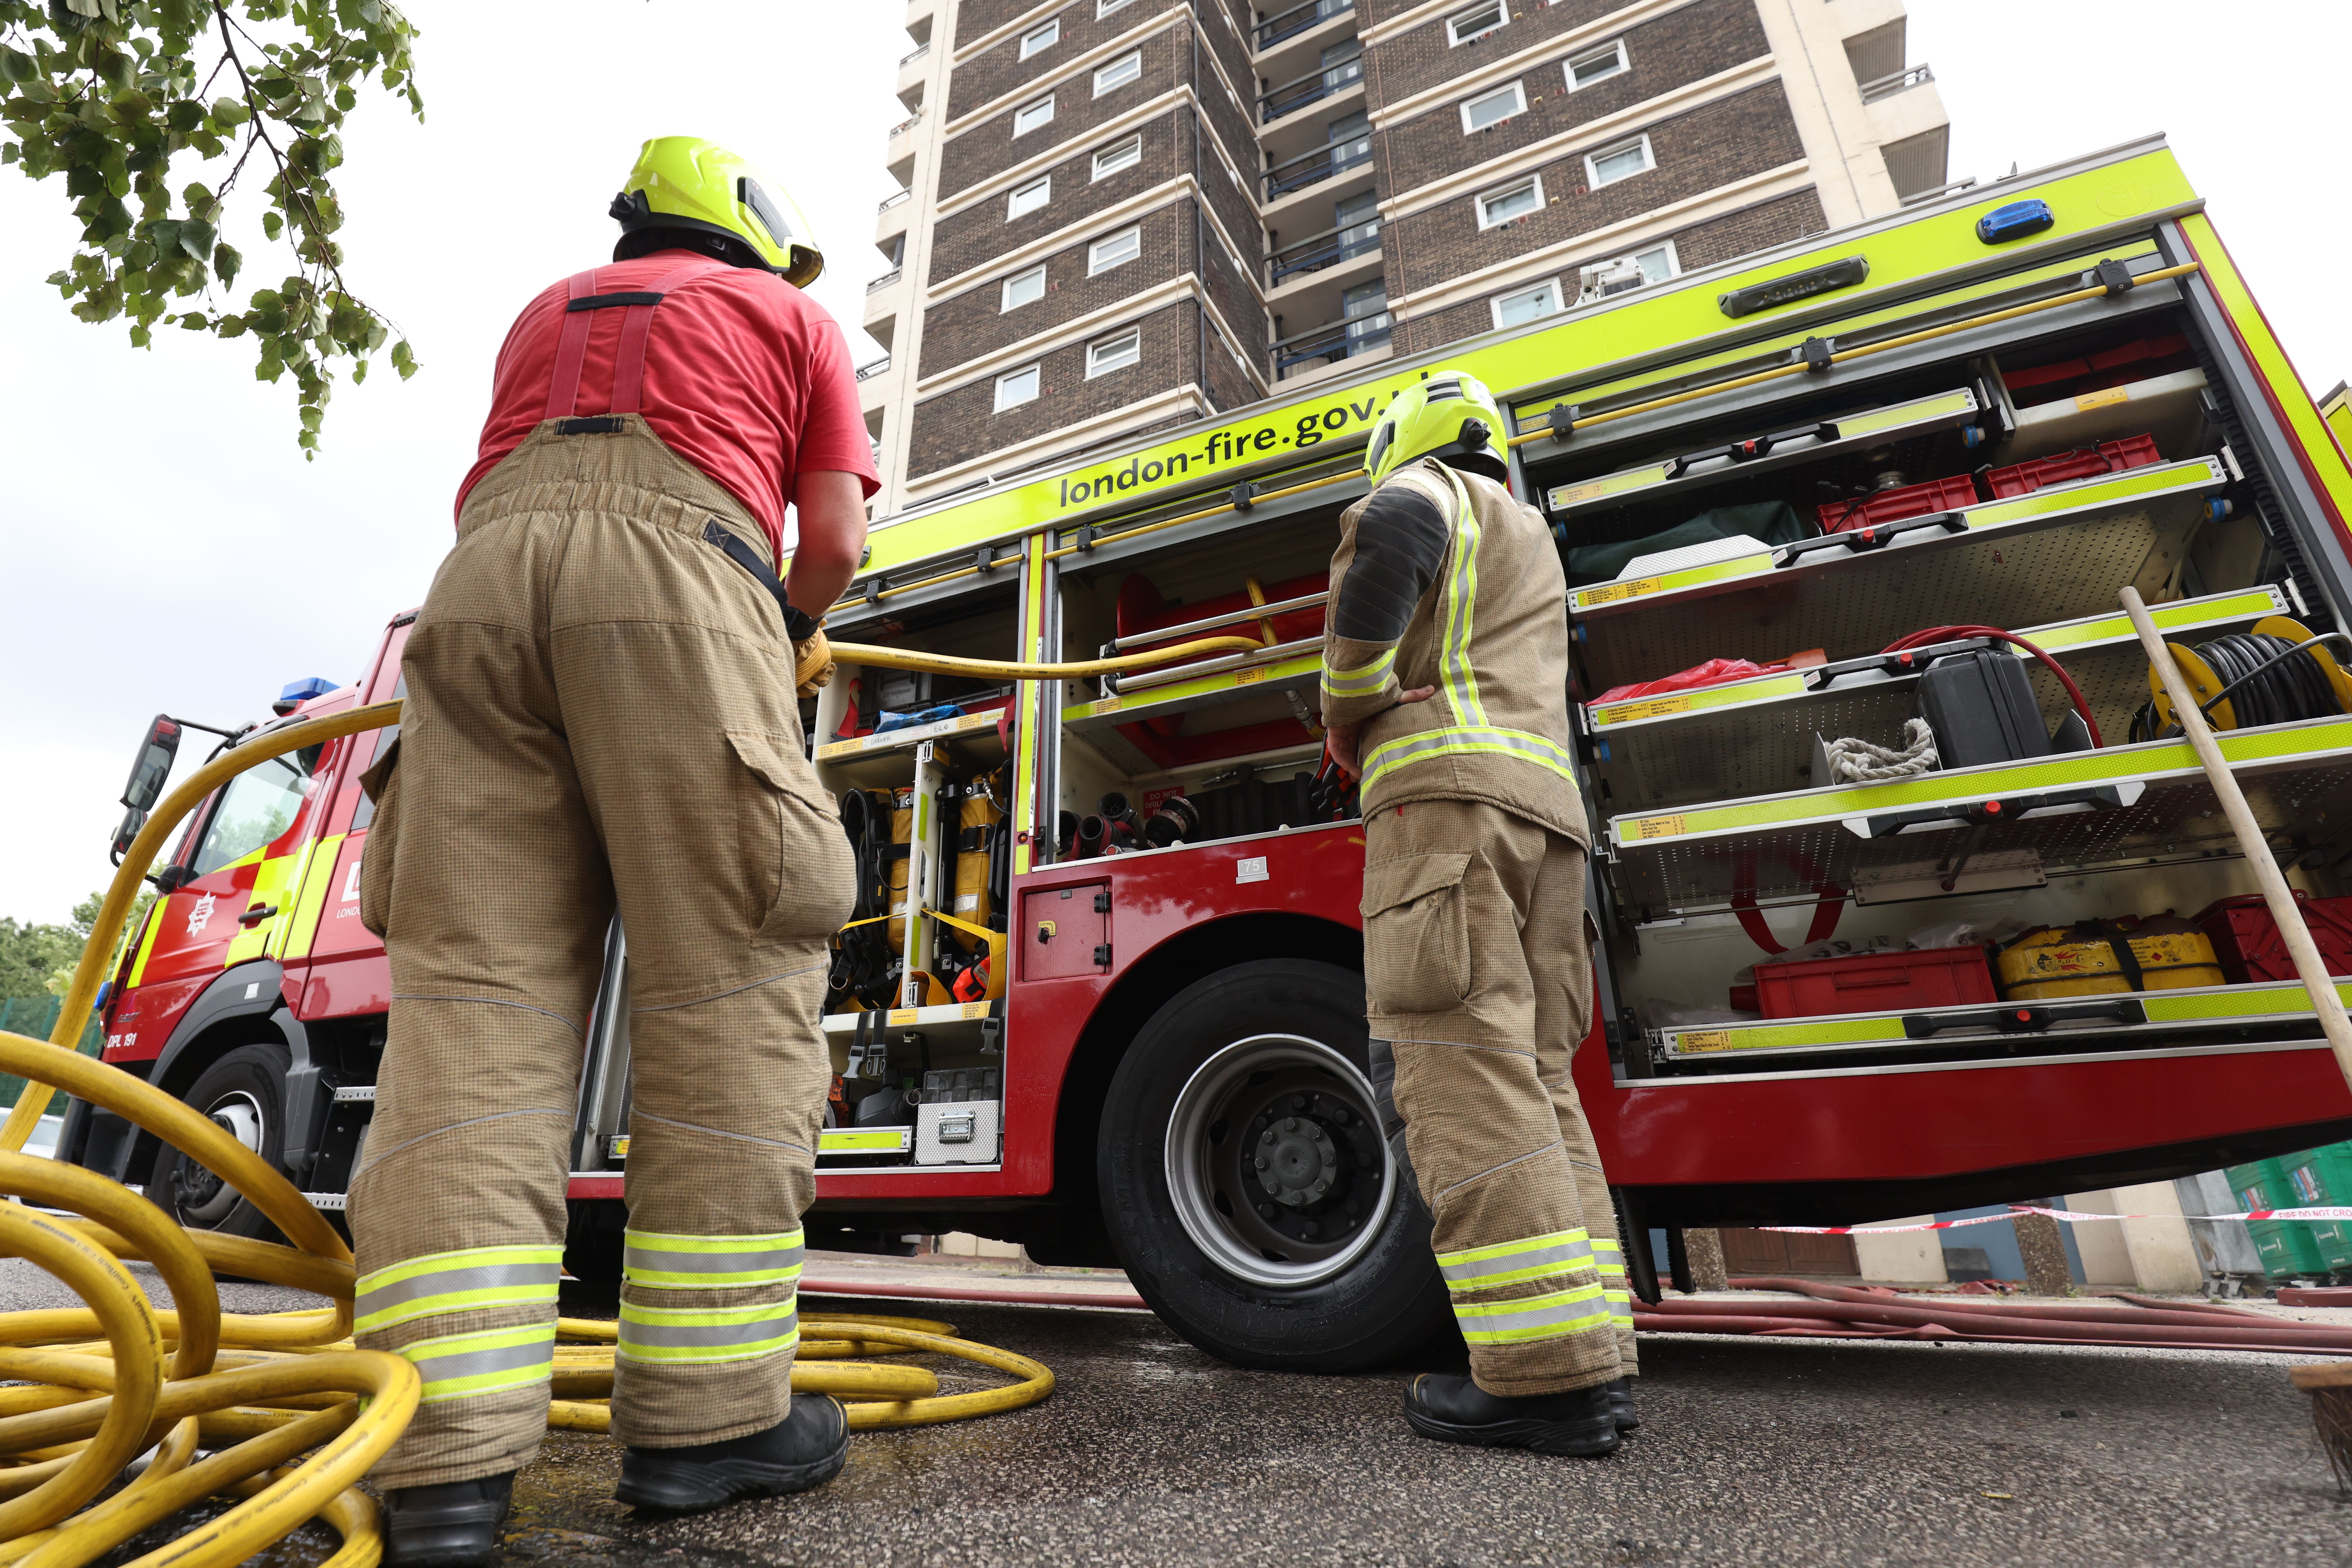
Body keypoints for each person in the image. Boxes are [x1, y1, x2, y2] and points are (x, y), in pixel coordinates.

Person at [348, 136, 876, 1564]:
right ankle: (706, 1425)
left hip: (477, 597)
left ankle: (443, 1464)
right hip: (686, 584)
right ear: (751, 231)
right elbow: (826, 534)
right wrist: (789, 623)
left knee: (473, 1008)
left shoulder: (547, 307)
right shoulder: (793, 318)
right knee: (728, 985)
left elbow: (496, 490)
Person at [1319, 370, 1639, 1457]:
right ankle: (1595, 1351)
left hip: (1448, 811)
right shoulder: (1532, 536)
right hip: (1550, 832)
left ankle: (1543, 1379)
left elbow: (1377, 582)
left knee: (1459, 1068)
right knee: (1539, 1079)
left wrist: (1349, 709)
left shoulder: (1420, 492)